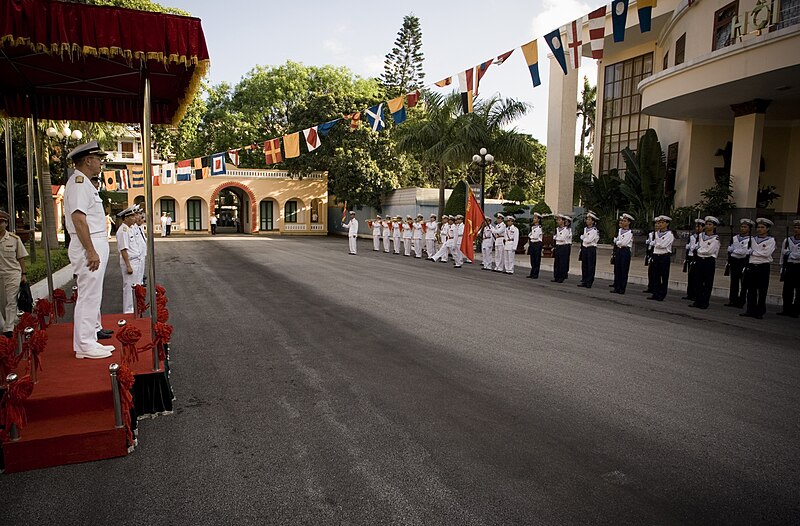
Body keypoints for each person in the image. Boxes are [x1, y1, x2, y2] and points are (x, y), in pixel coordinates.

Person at [63, 140, 115, 359]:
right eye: (98, 159)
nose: (101, 162)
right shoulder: (78, 183)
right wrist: (91, 251)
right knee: (88, 295)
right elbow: (79, 219)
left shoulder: (84, 183)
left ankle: (90, 339)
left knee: (93, 294)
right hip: (88, 244)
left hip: (94, 242)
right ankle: (84, 344)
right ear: (87, 160)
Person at [741, 218, 776, 319]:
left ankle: (760, 311)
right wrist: (752, 253)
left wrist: (754, 253)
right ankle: (750, 310)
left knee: (762, 290)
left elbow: (766, 254)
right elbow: (745, 251)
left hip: (763, 267)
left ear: (767, 229)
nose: (759, 229)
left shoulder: (770, 240)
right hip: (752, 266)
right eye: (758, 227)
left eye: (762, 227)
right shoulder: (752, 239)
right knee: (751, 290)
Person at [0, 211, 27, 338]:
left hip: (12, 273)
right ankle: (5, 324)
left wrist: (24, 274)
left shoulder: (14, 239)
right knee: (2, 302)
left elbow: (21, 258)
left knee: (11, 300)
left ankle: (8, 328)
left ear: (6, 223)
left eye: (1, 222)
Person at [690, 216, 720, 310]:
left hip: (708, 261)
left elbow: (709, 251)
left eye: (710, 224)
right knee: (698, 281)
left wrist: (699, 250)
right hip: (700, 260)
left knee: (707, 283)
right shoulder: (700, 236)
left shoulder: (716, 238)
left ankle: (705, 302)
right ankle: (697, 300)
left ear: (714, 226)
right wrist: (700, 250)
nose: (707, 226)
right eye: (707, 224)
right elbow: (696, 246)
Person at [116, 206, 142, 314]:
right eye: (131, 216)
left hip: (136, 260)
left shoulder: (129, 228)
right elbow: (123, 249)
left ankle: (134, 309)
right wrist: (128, 265)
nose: (134, 218)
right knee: (129, 287)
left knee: (135, 286)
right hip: (130, 261)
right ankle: (128, 311)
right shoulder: (123, 231)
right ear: (125, 218)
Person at [725, 218, 754, 308]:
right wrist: (732, 251)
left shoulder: (751, 239)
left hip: (743, 261)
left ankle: (741, 301)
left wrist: (734, 250)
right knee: (734, 282)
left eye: (745, 227)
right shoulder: (734, 238)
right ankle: (732, 300)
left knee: (744, 283)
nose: (742, 228)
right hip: (734, 261)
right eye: (742, 226)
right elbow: (730, 249)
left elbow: (744, 251)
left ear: (749, 229)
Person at [648, 215, 674, 301]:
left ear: (667, 224)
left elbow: (662, 245)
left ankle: (662, 294)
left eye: (662, 222)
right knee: (656, 275)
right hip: (656, 255)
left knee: (664, 276)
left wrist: (655, 243)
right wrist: (656, 243)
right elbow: (655, 243)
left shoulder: (669, 234)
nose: (660, 224)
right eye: (659, 223)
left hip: (664, 256)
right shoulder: (656, 233)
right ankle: (655, 293)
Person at [778, 219, 800, 317]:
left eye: (799, 228)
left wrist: (790, 253)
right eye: (795, 227)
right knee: (787, 290)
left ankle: (796, 310)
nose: (796, 229)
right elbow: (782, 254)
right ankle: (786, 309)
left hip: (799, 267)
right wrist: (782, 266)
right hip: (789, 266)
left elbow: (798, 256)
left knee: (799, 290)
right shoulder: (787, 240)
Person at [682, 219, 705, 301]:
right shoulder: (692, 236)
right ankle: (690, 293)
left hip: (697, 256)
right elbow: (689, 246)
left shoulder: (703, 237)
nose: (697, 228)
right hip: (691, 256)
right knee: (690, 277)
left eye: (699, 226)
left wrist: (694, 247)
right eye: (696, 226)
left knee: (697, 277)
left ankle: (696, 294)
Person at [611, 213, 634, 294]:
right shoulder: (620, 231)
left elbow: (623, 243)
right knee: (617, 269)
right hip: (619, 250)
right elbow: (617, 241)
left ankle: (622, 288)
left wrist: (617, 242)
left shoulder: (630, 233)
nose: (623, 222)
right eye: (623, 220)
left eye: (625, 221)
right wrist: (618, 242)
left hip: (625, 251)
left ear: (629, 222)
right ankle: (617, 287)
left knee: (623, 270)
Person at [578, 211, 599, 288]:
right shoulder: (585, 229)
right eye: (587, 219)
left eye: (589, 219)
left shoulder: (594, 230)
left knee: (590, 265)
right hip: (585, 248)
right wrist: (584, 238)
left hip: (591, 248)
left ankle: (589, 281)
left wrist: (584, 238)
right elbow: (583, 238)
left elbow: (588, 240)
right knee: (584, 265)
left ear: (593, 221)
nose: (587, 221)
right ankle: (584, 280)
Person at [552, 214, 572, 283]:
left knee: (562, 262)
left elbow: (562, 239)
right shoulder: (557, 229)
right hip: (558, 246)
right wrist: (557, 238)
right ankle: (556, 276)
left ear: (563, 221)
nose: (558, 221)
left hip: (564, 246)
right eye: (558, 220)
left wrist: (557, 238)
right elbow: (554, 238)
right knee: (557, 262)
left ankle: (561, 277)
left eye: (559, 220)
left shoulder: (566, 230)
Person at [527, 213, 543, 279]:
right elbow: (529, 235)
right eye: (534, 218)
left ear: (538, 220)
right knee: (532, 259)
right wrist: (532, 237)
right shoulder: (532, 227)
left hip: (537, 244)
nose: (534, 219)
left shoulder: (540, 228)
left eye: (535, 218)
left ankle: (535, 273)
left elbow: (536, 236)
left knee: (537, 259)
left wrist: (532, 237)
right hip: (532, 243)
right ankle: (532, 272)